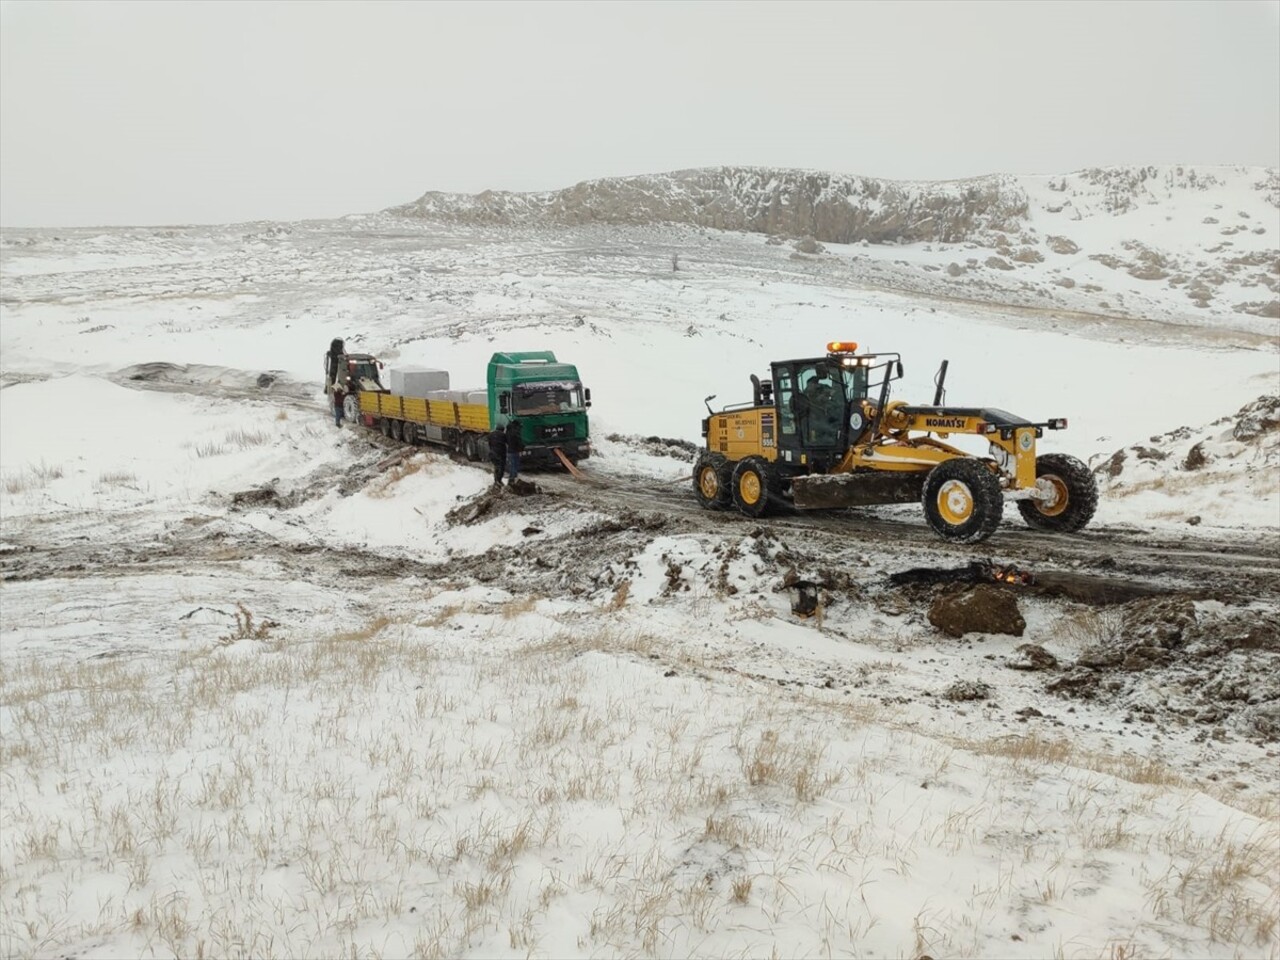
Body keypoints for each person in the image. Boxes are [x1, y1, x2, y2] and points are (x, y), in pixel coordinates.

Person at [504, 417, 525, 485]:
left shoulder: (508, 431)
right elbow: (519, 442)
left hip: (510, 451)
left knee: (512, 465)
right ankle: (513, 480)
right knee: (515, 466)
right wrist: (522, 448)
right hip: (515, 451)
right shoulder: (515, 433)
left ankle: (512, 479)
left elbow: (506, 441)